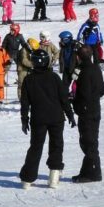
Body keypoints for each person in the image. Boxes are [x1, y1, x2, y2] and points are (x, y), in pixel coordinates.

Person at [18, 48, 75, 190]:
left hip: (38, 118)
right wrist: (70, 114)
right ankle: (54, 178)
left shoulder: (28, 79)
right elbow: (64, 99)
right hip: (56, 117)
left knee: (36, 147)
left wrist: (24, 119)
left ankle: (27, 179)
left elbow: (25, 103)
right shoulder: (54, 77)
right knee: (56, 145)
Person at [72, 45, 104, 183]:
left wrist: (75, 103)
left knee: (89, 143)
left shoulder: (84, 71)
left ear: (79, 57)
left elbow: (84, 94)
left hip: (87, 111)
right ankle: (86, 171)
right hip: (94, 109)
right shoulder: (95, 68)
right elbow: (102, 89)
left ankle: (94, 173)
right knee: (88, 142)